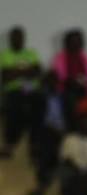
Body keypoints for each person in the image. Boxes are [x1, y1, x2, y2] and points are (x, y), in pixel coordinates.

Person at [0, 26, 42, 158]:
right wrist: (27, 71)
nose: (18, 40)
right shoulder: (5, 54)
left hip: (32, 89)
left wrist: (16, 71)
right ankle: (9, 144)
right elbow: (5, 77)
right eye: (15, 37)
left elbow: (37, 72)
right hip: (13, 89)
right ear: (11, 39)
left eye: (20, 37)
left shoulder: (31, 53)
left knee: (40, 103)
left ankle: (34, 143)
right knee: (14, 106)